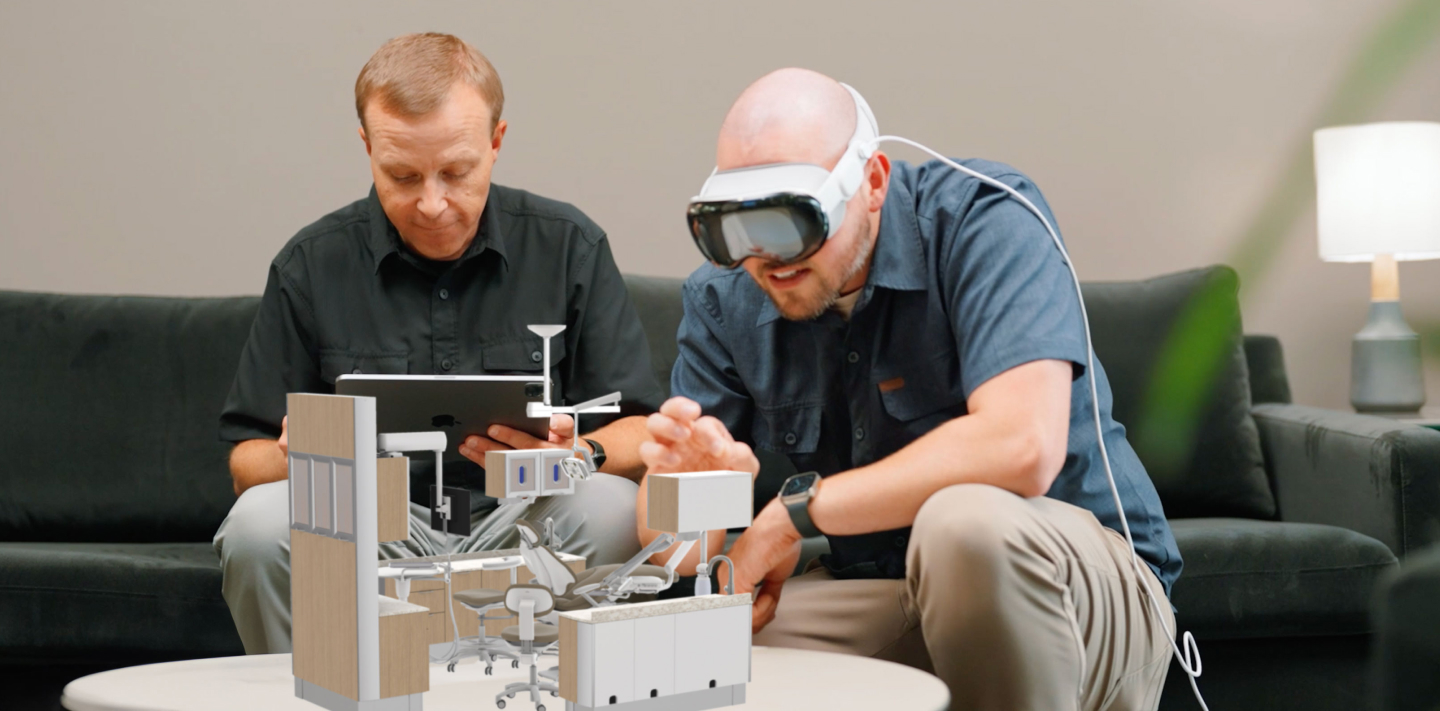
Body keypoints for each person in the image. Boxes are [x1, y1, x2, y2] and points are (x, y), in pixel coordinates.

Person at [637, 68, 1183, 711]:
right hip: (879, 586)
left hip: (1074, 583)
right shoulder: (724, 298)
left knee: (964, 525)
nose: (767, 257)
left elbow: (1022, 447)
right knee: (682, 658)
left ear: (871, 182)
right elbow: (673, 557)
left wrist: (794, 515)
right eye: (736, 229)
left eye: (793, 221)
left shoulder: (984, 217)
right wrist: (686, 488)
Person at [214, 33, 664, 655]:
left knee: (613, 506)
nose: (431, 204)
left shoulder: (569, 247)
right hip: (371, 520)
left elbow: (643, 432)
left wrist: (575, 452)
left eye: (456, 172)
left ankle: (542, 685)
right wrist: (309, 455)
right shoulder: (311, 265)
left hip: (526, 518)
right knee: (260, 525)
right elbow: (248, 465)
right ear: (368, 147)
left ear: (496, 142)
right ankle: (327, 691)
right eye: (402, 176)